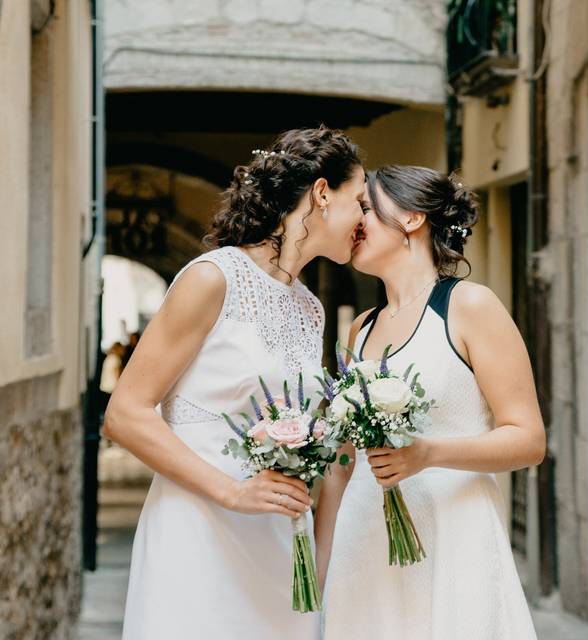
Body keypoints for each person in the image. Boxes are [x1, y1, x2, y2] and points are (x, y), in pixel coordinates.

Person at [103, 127, 366, 640]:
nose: (364, 219)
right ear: (320, 194)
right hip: (199, 528)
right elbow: (126, 414)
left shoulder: (310, 308)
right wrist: (231, 492)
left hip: (277, 538)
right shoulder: (212, 278)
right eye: (358, 200)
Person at [318, 165, 545, 639]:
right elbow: (343, 462)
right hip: (365, 544)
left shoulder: (469, 307)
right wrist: (321, 564)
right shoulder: (359, 328)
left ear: (412, 218)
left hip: (454, 539)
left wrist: (428, 454)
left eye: (367, 209)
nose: (355, 222)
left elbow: (528, 440)